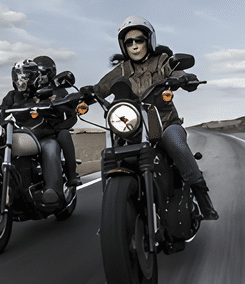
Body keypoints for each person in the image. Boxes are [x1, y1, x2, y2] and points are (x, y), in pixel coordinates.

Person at [93, 15, 219, 221]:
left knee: (176, 144)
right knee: (109, 152)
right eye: (129, 42)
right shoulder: (122, 69)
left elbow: (177, 71)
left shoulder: (162, 61)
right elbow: (101, 88)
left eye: (139, 40)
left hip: (165, 123)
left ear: (149, 41)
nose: (134, 46)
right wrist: (84, 93)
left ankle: (201, 195)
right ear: (123, 46)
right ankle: (111, 212)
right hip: (133, 128)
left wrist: (186, 79)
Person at [1, 58, 75, 211]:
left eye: (26, 76)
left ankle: (53, 190)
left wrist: (52, 108)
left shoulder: (50, 92)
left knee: (51, 145)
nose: (22, 80)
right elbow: (2, 109)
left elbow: (66, 111)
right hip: (22, 135)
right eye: (20, 76)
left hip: (45, 134)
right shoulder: (12, 95)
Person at [33, 55, 81, 187]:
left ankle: (72, 175)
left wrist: (59, 128)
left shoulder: (60, 91)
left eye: (42, 73)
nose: (40, 77)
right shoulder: (29, 91)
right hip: (34, 130)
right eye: (36, 73)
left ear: (50, 73)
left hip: (54, 130)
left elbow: (72, 116)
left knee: (65, 135)